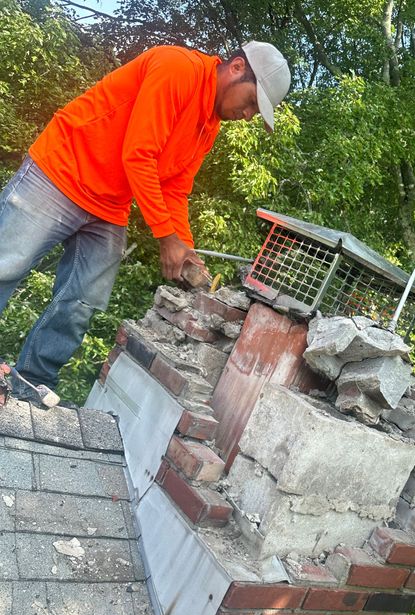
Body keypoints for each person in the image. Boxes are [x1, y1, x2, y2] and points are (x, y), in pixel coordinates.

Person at [0, 40, 290, 404]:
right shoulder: (177, 68)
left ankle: (30, 380)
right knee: (5, 265)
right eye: (250, 102)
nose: (247, 115)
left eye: (255, 111)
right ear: (235, 68)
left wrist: (185, 249)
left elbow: (176, 188)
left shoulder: (207, 126)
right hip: (61, 171)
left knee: (83, 300)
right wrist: (165, 237)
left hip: (108, 205)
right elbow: (138, 154)